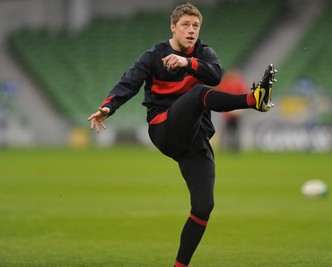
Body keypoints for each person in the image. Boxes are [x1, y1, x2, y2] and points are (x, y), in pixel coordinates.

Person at [87, 3, 276, 267]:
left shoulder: (203, 53)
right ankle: (254, 100)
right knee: (197, 94)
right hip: (163, 128)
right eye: (185, 25)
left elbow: (215, 75)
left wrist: (187, 62)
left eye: (195, 26)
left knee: (203, 207)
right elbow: (129, 81)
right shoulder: (154, 55)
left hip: (193, 139)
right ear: (173, 27)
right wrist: (109, 106)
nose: (191, 31)